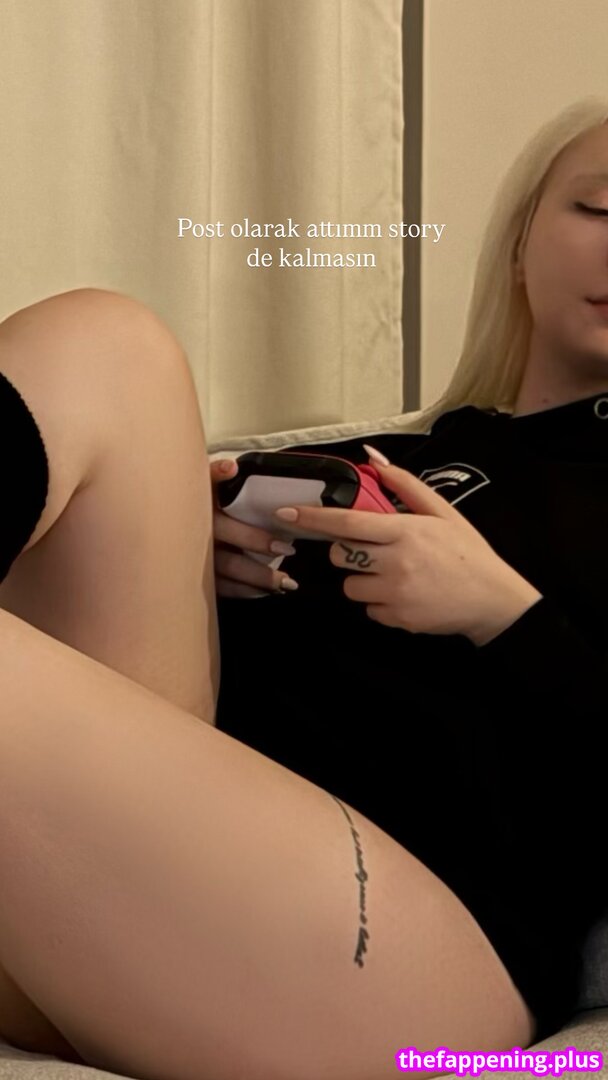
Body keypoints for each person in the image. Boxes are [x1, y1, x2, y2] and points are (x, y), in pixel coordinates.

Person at [0, 97, 603, 1080]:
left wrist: (503, 614)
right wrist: (184, 548)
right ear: (519, 239)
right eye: (601, 210)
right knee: (107, 343)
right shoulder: (379, 453)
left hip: (401, 958)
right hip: (111, 891)